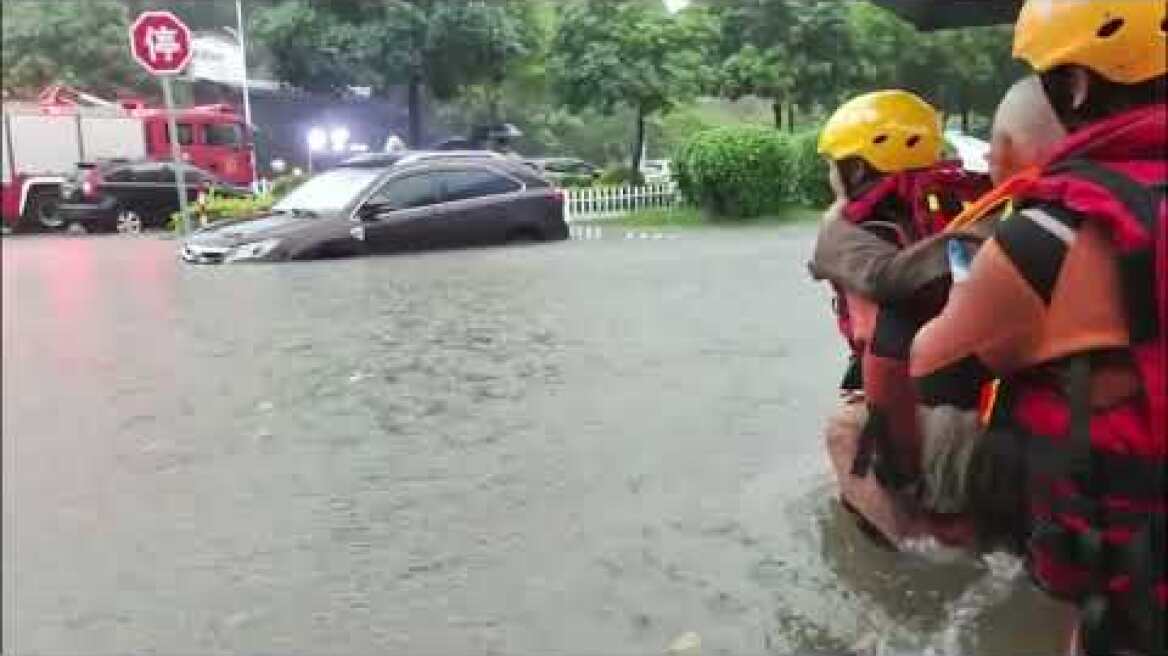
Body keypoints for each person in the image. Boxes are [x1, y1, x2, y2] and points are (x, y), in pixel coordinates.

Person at [910, 2, 1166, 653]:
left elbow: (935, 371)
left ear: (1077, 84)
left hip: (1136, 571)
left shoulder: (1046, 234)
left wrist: (974, 272)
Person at [818, 76, 1067, 548]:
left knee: (843, 432)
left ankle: (911, 547)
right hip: (1011, 382)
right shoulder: (975, 204)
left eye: (833, 165)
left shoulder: (855, 233)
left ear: (856, 168)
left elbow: (876, 338)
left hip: (942, 392)